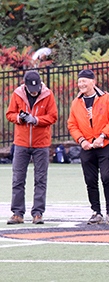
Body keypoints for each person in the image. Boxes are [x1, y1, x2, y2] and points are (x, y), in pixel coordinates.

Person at [67, 69, 109, 225]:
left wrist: (102, 136)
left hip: (105, 145)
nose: (81, 84)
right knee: (90, 180)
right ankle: (96, 212)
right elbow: (72, 124)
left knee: (107, 177)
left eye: (84, 81)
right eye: (79, 81)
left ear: (93, 82)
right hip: (87, 147)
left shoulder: (106, 98)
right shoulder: (76, 102)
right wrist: (82, 140)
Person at [5, 71, 57, 224]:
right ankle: (17, 213)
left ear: (40, 83)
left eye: (36, 87)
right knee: (18, 179)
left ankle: (38, 213)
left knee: (41, 179)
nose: (34, 91)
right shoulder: (17, 94)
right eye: (30, 88)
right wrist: (19, 118)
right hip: (21, 143)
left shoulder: (48, 95)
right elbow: (9, 114)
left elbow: (53, 116)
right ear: (24, 84)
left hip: (41, 144)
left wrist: (36, 120)